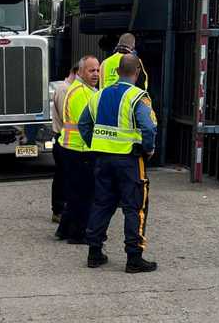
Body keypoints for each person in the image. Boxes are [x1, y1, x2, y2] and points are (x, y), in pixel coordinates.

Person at [79, 53, 158, 273]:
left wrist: (97, 144)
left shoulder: (99, 95)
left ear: (117, 72)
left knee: (102, 204)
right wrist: (148, 149)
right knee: (135, 208)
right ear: (137, 72)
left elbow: (84, 124)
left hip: (103, 160)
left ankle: (94, 253)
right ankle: (134, 257)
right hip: (129, 161)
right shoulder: (138, 96)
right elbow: (149, 127)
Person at [55, 55, 100, 244]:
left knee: (74, 193)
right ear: (80, 71)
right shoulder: (81, 92)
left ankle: (64, 229)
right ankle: (78, 234)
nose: (96, 74)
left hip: (72, 147)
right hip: (79, 149)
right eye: (92, 70)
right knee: (85, 195)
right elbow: (87, 124)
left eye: (98, 70)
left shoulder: (86, 90)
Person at [51, 65, 79, 223]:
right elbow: (66, 115)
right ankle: (58, 210)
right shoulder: (64, 90)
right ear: (75, 72)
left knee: (64, 176)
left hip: (66, 138)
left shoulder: (69, 89)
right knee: (62, 176)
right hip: (63, 138)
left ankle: (62, 209)